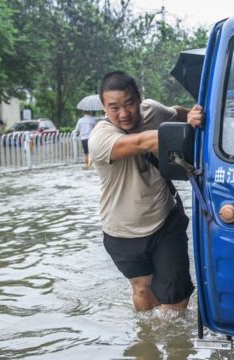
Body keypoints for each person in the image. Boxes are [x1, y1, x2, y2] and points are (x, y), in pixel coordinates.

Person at [89, 71, 203, 312]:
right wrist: (185, 131)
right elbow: (144, 142)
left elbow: (175, 112)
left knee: (176, 293)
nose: (123, 113)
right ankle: (147, 342)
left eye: (129, 104)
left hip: (164, 219)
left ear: (140, 98)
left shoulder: (152, 110)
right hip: (122, 230)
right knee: (142, 289)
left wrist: (193, 113)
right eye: (114, 108)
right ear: (103, 107)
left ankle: (176, 347)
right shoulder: (100, 138)